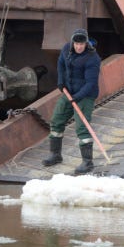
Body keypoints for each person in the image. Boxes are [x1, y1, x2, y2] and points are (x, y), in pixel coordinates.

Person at [44, 28, 101, 174]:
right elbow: (61, 64)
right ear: (72, 42)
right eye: (76, 43)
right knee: (56, 120)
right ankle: (55, 155)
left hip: (85, 95)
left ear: (86, 43)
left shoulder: (92, 58)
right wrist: (61, 82)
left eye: (82, 44)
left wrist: (78, 96)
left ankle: (88, 162)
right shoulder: (66, 49)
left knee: (82, 127)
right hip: (69, 92)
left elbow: (91, 83)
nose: (79, 47)